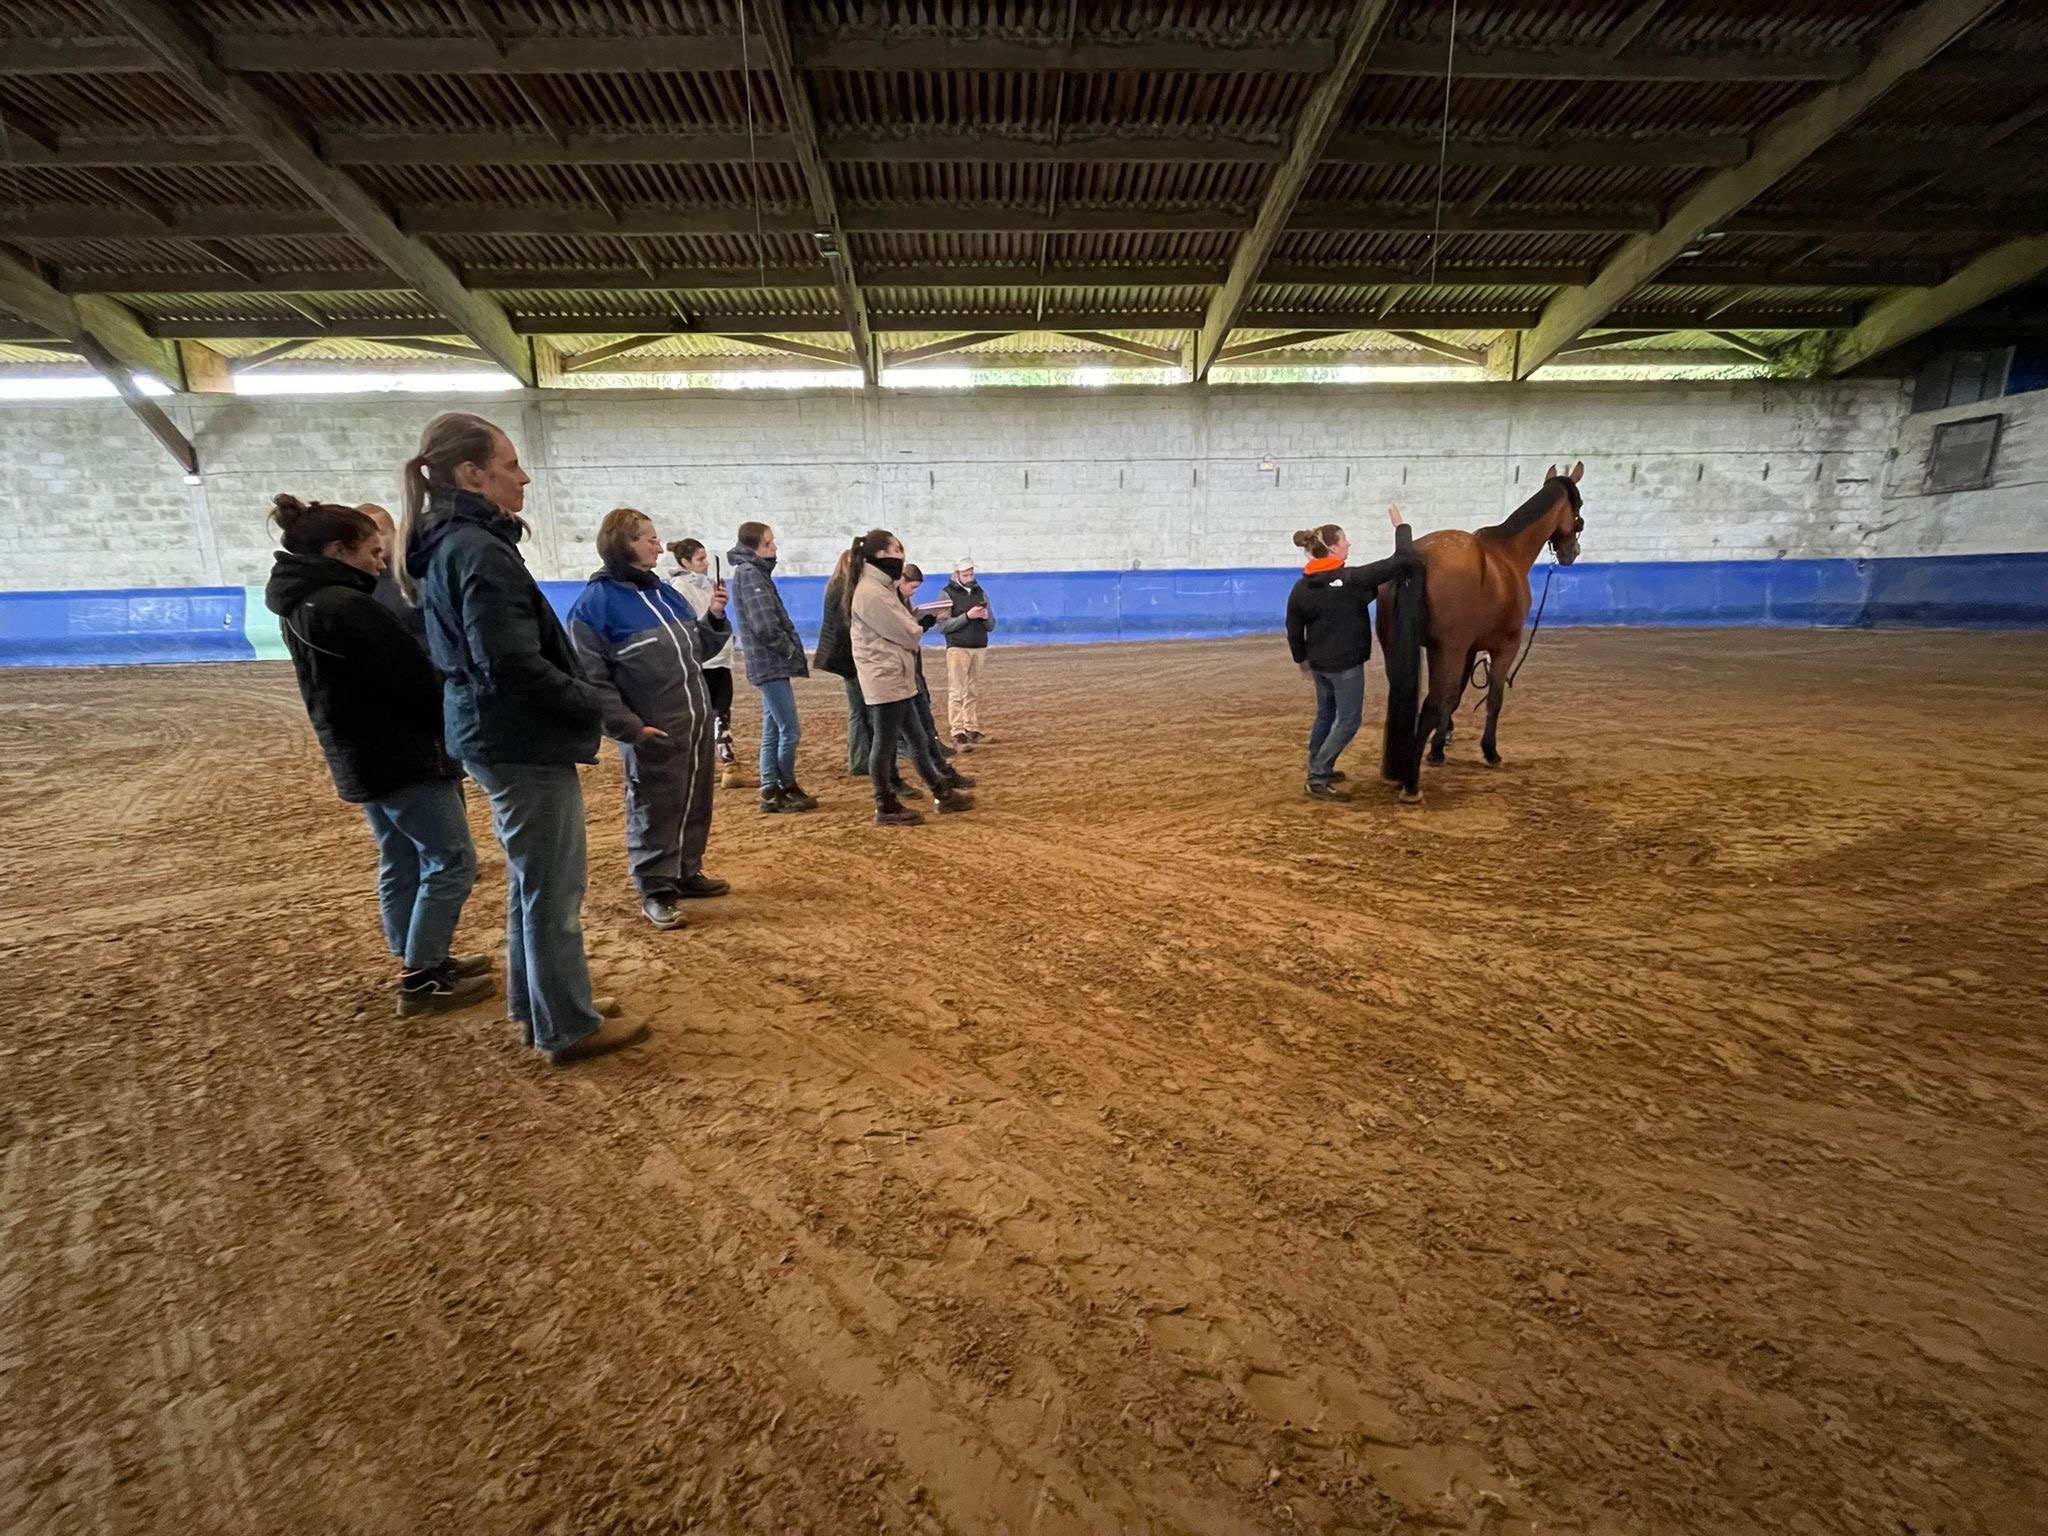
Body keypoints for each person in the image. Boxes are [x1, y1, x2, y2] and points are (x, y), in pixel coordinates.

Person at [400, 411, 648, 1066]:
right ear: (471, 474)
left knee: (530, 878)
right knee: (552, 887)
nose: (524, 477)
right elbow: (507, 662)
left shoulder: (456, 544)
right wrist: (588, 703)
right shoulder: (477, 549)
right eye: (511, 466)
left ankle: (539, 1000)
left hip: (494, 733)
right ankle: (567, 1023)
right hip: (517, 735)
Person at [264, 495, 489, 1017]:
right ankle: (424, 974)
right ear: (338, 550)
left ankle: (416, 955)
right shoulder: (349, 608)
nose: (380, 561)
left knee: (401, 855)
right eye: (371, 551)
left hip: (364, 757)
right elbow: (414, 683)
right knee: (452, 859)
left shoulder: (305, 605)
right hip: (402, 755)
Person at [569, 511, 734, 931]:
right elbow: (593, 680)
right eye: (651, 540)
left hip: (694, 721)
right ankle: (655, 887)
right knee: (655, 805)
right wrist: (629, 728)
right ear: (624, 544)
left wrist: (715, 619)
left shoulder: (665, 594)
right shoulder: (594, 608)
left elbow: (697, 648)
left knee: (695, 798)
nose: (660, 548)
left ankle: (685, 870)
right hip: (652, 729)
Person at [1284, 517, 1420, 802]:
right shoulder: (1352, 579)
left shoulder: (1301, 587)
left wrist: (1302, 660)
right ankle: (1317, 776)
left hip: (1320, 664)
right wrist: (1401, 527)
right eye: (1344, 540)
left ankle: (1319, 766)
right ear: (1333, 549)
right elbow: (1403, 560)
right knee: (1348, 721)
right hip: (1345, 665)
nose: (1349, 544)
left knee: (1325, 715)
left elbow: (1294, 628)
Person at [847, 529, 974, 826]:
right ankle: (885, 804)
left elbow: (904, 626)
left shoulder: (880, 588)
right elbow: (906, 633)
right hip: (884, 675)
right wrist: (921, 624)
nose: (901, 556)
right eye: (896, 550)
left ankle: (941, 791)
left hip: (894, 674)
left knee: (916, 737)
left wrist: (917, 622)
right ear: (880, 555)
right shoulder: (871, 592)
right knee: (885, 742)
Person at [726, 520, 817, 814]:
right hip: (770, 663)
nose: (775, 548)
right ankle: (784, 785)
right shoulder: (752, 574)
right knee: (789, 730)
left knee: (774, 729)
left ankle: (770, 788)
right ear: (756, 547)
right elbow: (765, 625)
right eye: (769, 543)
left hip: (768, 663)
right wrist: (789, 649)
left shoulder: (749, 573)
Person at [664, 538, 751, 790]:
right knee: (709, 714)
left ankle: (726, 763)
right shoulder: (680, 588)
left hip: (719, 657)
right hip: (702, 660)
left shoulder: (708, 585)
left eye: (705, 558)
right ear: (685, 562)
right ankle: (721, 764)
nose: (705, 564)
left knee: (721, 711)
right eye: (699, 559)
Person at [899, 562, 970, 789]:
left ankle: (941, 773)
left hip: (911, 670)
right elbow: (904, 633)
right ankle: (938, 779)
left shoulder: (900, 601)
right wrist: (923, 624)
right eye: (913, 587)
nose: (914, 593)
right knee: (917, 732)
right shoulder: (890, 602)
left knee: (924, 727)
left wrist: (923, 622)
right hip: (902, 674)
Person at [813, 546, 874, 777]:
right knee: (860, 711)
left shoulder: (833, 586)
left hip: (840, 657)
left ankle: (861, 758)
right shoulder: (844, 589)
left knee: (858, 710)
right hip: (848, 658)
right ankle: (860, 760)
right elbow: (846, 626)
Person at [940, 556, 995, 748]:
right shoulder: (946, 594)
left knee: (971, 690)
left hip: (979, 646)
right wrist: (967, 617)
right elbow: (943, 625)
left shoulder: (981, 593)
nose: (970, 577)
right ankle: (957, 731)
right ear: (957, 574)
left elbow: (991, 625)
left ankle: (971, 727)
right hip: (957, 647)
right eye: (966, 574)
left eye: (971, 573)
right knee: (957, 690)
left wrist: (986, 616)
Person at [359, 502, 427, 647]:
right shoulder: (361, 582)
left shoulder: (418, 570)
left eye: (381, 533)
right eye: (366, 536)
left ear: (395, 533)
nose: (376, 541)